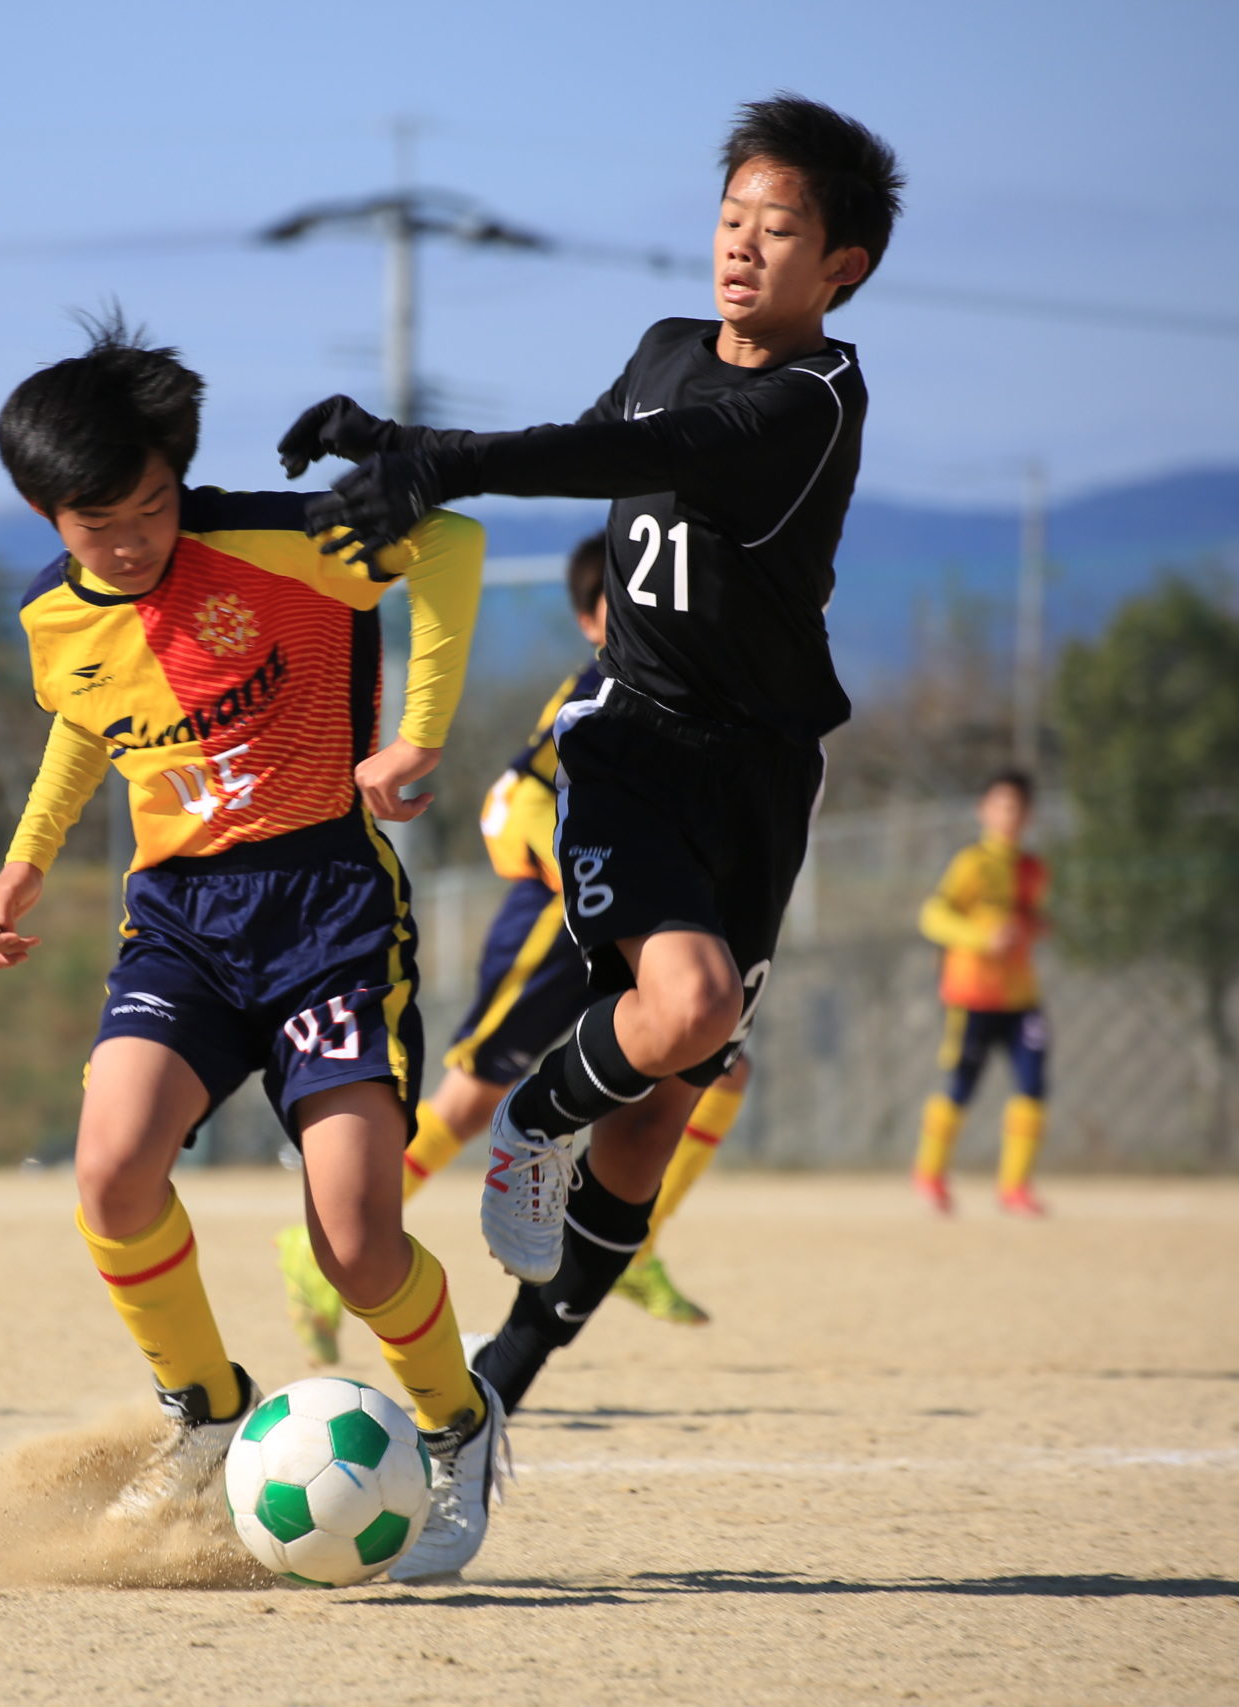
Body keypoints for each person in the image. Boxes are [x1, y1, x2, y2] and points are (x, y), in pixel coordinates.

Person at [277, 93, 901, 1414]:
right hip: (630, 744)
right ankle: (535, 1118)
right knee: (687, 1011)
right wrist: (417, 465)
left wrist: (432, 453)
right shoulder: (670, 342)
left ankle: (499, 1386)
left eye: (776, 229)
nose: (740, 245)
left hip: (760, 778)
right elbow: (600, 438)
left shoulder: (816, 400)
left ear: (841, 265)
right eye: (730, 217)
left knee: (662, 1111)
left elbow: (644, 449)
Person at [0, 315, 504, 1580]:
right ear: (49, 517)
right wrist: (27, 856)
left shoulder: (278, 540)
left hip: (323, 911)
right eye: (101, 523)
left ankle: (456, 1426)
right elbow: (89, 723)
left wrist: (418, 732)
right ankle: (205, 1412)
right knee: (109, 1171)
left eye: (153, 506)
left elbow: (453, 543)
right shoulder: (54, 620)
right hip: (180, 926)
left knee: (357, 1238)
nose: (135, 539)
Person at [273, 534, 744, 1367]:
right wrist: (584, 876)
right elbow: (511, 800)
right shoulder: (601, 688)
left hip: (639, 912)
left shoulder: (684, 687)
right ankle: (322, 1255)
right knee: (471, 1095)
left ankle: (635, 1242)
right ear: (592, 619)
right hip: (557, 920)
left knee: (719, 1069)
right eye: (624, 603)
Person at [911, 768, 1051, 1216]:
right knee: (962, 1084)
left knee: (1034, 1083)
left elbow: (1028, 918)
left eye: (1018, 807)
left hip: (1021, 996)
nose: (1010, 815)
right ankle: (930, 1174)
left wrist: (1033, 927)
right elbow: (933, 915)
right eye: (1002, 805)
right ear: (984, 810)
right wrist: (981, 937)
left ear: (1028, 815)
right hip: (972, 994)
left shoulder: (1033, 869)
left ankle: (1014, 1187)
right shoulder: (971, 864)